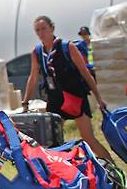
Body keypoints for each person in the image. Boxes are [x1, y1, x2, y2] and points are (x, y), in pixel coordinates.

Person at [22, 16, 114, 161]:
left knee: (89, 138)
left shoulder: (67, 46)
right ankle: (67, 174)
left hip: (75, 97)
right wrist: (25, 101)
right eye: (37, 30)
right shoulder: (37, 52)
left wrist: (99, 98)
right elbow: (33, 77)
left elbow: (85, 73)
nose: (41, 33)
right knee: (51, 141)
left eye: (44, 28)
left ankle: (114, 170)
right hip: (55, 100)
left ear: (52, 28)